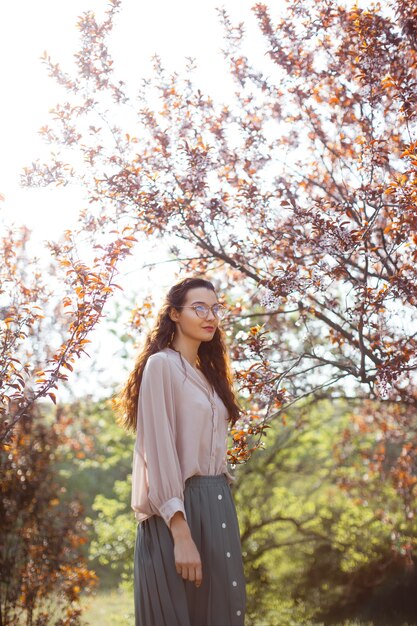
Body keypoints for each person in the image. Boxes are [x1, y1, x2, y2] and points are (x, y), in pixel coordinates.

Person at [115, 276, 247, 626]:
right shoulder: (161, 366)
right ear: (174, 314)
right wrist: (181, 533)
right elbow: (158, 454)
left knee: (223, 613)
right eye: (199, 308)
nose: (211, 316)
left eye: (216, 309)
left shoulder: (208, 375)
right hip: (176, 512)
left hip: (216, 500)